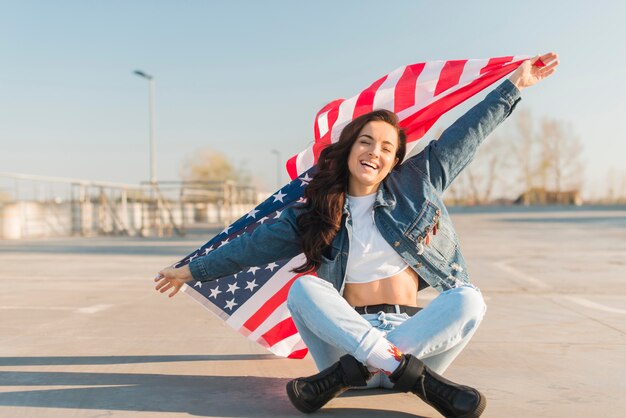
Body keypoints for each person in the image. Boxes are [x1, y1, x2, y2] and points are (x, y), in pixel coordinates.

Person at [154, 53, 559, 418]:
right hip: (349, 343)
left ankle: (373, 368)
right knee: (304, 290)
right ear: (348, 150)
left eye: (386, 147)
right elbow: (251, 247)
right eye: (366, 142)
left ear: (395, 160)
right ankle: (410, 377)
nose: (374, 152)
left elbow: (467, 135)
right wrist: (192, 270)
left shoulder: (418, 184)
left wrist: (514, 86)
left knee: (468, 298)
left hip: (401, 348)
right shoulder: (315, 212)